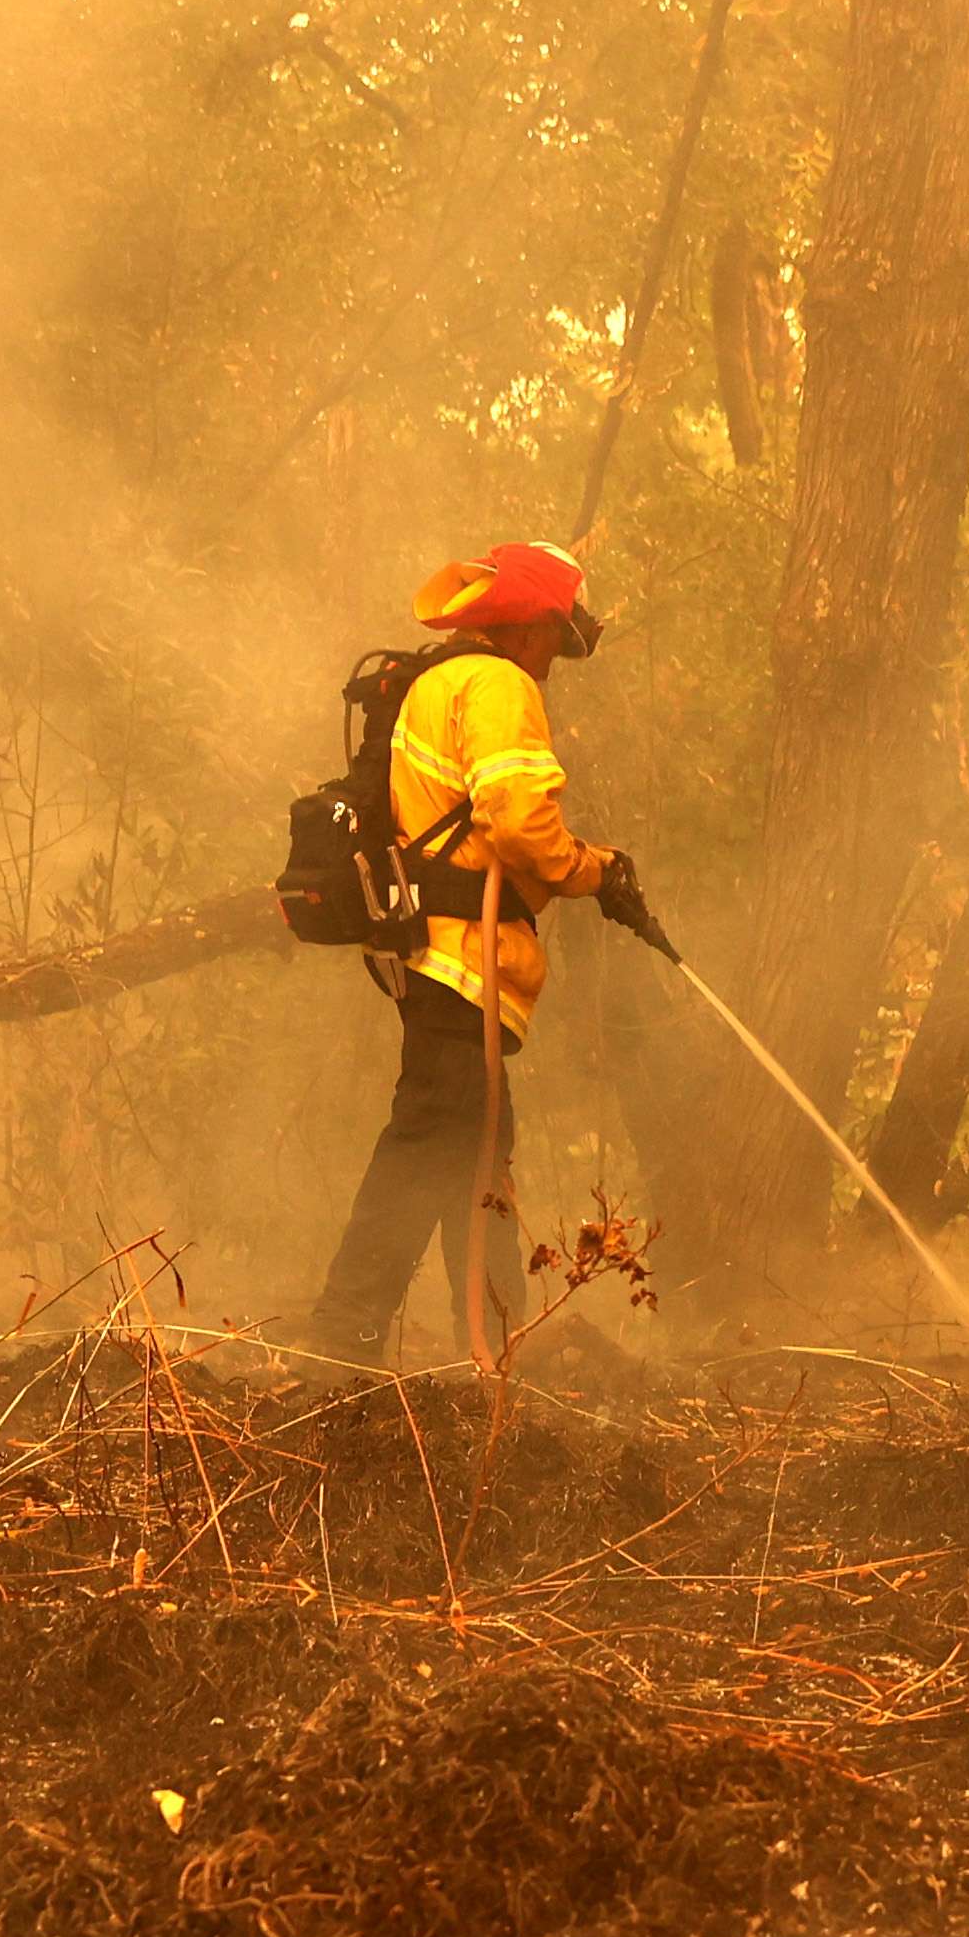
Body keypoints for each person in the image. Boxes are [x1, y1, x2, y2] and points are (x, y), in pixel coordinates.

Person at [298, 540, 665, 1366]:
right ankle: (340, 1338)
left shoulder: (440, 680)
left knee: (479, 1153)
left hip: (436, 953)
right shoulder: (498, 683)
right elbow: (518, 823)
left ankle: (500, 1342)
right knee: (432, 1135)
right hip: (461, 956)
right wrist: (593, 870)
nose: (553, 664)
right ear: (534, 627)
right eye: (557, 643)